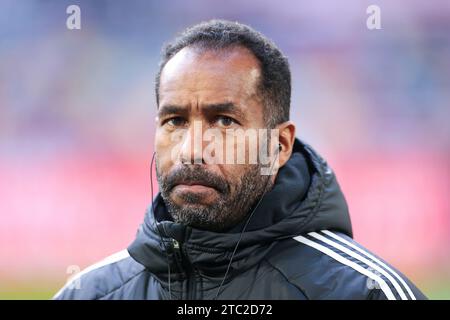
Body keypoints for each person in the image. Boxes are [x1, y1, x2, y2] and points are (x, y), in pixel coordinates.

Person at [54, 20, 426, 300]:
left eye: (224, 121)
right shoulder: (88, 294)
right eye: (175, 121)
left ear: (279, 146)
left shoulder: (364, 292)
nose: (192, 149)